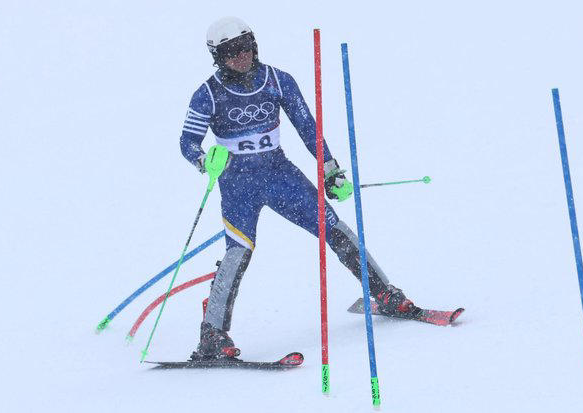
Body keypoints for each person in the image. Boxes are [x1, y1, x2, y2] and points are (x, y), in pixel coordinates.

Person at [180, 17, 421, 359]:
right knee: (238, 252)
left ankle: (384, 294)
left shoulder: (278, 80)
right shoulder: (207, 93)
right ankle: (212, 335)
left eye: (245, 46)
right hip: (238, 185)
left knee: (334, 227)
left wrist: (330, 169)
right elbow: (187, 142)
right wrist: (205, 160)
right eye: (230, 51)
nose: (241, 56)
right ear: (217, 57)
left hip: (279, 174)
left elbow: (308, 128)